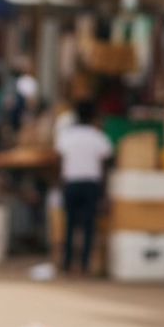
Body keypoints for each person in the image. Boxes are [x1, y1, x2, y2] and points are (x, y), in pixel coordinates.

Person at [56, 100, 113, 275]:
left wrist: (60, 182)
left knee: (70, 224)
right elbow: (107, 160)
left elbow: (59, 159)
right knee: (89, 226)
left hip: (71, 183)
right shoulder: (97, 136)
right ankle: (85, 265)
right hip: (91, 185)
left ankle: (67, 264)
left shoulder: (66, 136)